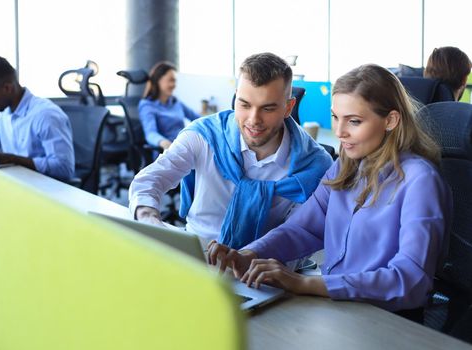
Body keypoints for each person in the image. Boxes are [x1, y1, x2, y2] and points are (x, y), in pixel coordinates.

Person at [208, 63, 452, 314]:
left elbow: (410, 280)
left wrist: (305, 283)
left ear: (390, 120)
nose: (339, 132)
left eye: (354, 121)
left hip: (384, 318)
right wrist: (249, 253)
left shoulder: (420, 180)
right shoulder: (345, 167)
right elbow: (302, 228)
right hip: (335, 307)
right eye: (336, 117)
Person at [129, 52, 333, 249]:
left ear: (288, 108)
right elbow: (148, 181)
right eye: (244, 104)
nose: (253, 120)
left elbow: (299, 233)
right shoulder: (204, 136)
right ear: (235, 99)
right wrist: (151, 222)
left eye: (268, 108)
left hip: (265, 267)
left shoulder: (315, 165)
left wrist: (248, 258)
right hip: (196, 253)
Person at [0, 56, 75, 181]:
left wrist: (13, 159)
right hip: (18, 183)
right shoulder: (4, 113)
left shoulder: (46, 115)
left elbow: (64, 168)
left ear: (7, 88)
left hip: (46, 190)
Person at [138, 61, 201, 150]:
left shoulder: (175, 102)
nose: (173, 85)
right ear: (158, 80)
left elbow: (197, 118)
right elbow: (150, 133)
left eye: (174, 81)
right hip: (167, 151)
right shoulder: (147, 105)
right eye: (170, 80)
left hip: (184, 147)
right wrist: (163, 142)